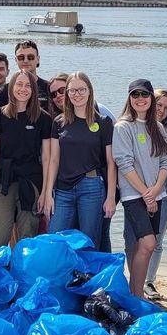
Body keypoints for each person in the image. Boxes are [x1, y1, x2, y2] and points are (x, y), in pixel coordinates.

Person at [113, 79, 167, 298]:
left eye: (144, 95)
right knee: (148, 243)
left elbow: (166, 161)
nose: (140, 99)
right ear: (129, 98)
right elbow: (124, 162)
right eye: (135, 95)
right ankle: (136, 295)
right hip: (133, 196)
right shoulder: (122, 127)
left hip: (157, 194)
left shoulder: (156, 127)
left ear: (151, 98)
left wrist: (156, 189)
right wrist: (146, 193)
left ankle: (136, 294)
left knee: (145, 247)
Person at [45, 72, 116, 249]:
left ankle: (87, 277)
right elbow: (53, 160)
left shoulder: (103, 122)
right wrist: (47, 194)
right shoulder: (59, 122)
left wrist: (111, 197)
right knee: (54, 240)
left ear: (90, 91)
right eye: (72, 90)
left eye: (81, 89)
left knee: (88, 243)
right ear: (68, 94)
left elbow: (110, 162)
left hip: (91, 187)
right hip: (63, 190)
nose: (77, 94)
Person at [0, 69, 52, 247]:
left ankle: (23, 273)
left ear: (34, 90)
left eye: (28, 85)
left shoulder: (43, 118)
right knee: (0, 235)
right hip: (2, 182)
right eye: (19, 84)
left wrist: (45, 192)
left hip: (31, 182)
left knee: (27, 237)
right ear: (11, 88)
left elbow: (47, 157)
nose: (23, 89)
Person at [142, 88, 167, 298]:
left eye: (166, 107)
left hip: (163, 189)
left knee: (158, 238)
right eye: (159, 104)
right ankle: (136, 279)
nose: (161, 110)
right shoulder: (135, 126)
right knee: (138, 237)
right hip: (137, 190)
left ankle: (149, 281)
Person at [15, 40, 51, 110]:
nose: (25, 60)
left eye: (30, 57)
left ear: (38, 59)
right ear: (16, 60)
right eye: (21, 57)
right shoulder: (6, 90)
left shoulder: (49, 88)